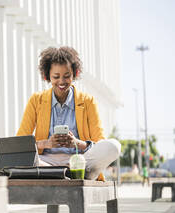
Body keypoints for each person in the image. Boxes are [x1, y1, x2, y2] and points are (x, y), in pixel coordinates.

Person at [17, 46, 121, 181]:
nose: (61, 82)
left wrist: (77, 143)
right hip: (45, 161)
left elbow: (99, 142)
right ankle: (64, 174)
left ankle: (69, 172)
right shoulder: (36, 100)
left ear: (75, 74)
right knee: (3, 152)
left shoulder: (87, 101)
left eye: (67, 76)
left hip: (80, 160)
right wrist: (46, 144)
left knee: (113, 146)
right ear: (47, 76)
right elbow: (20, 144)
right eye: (56, 76)